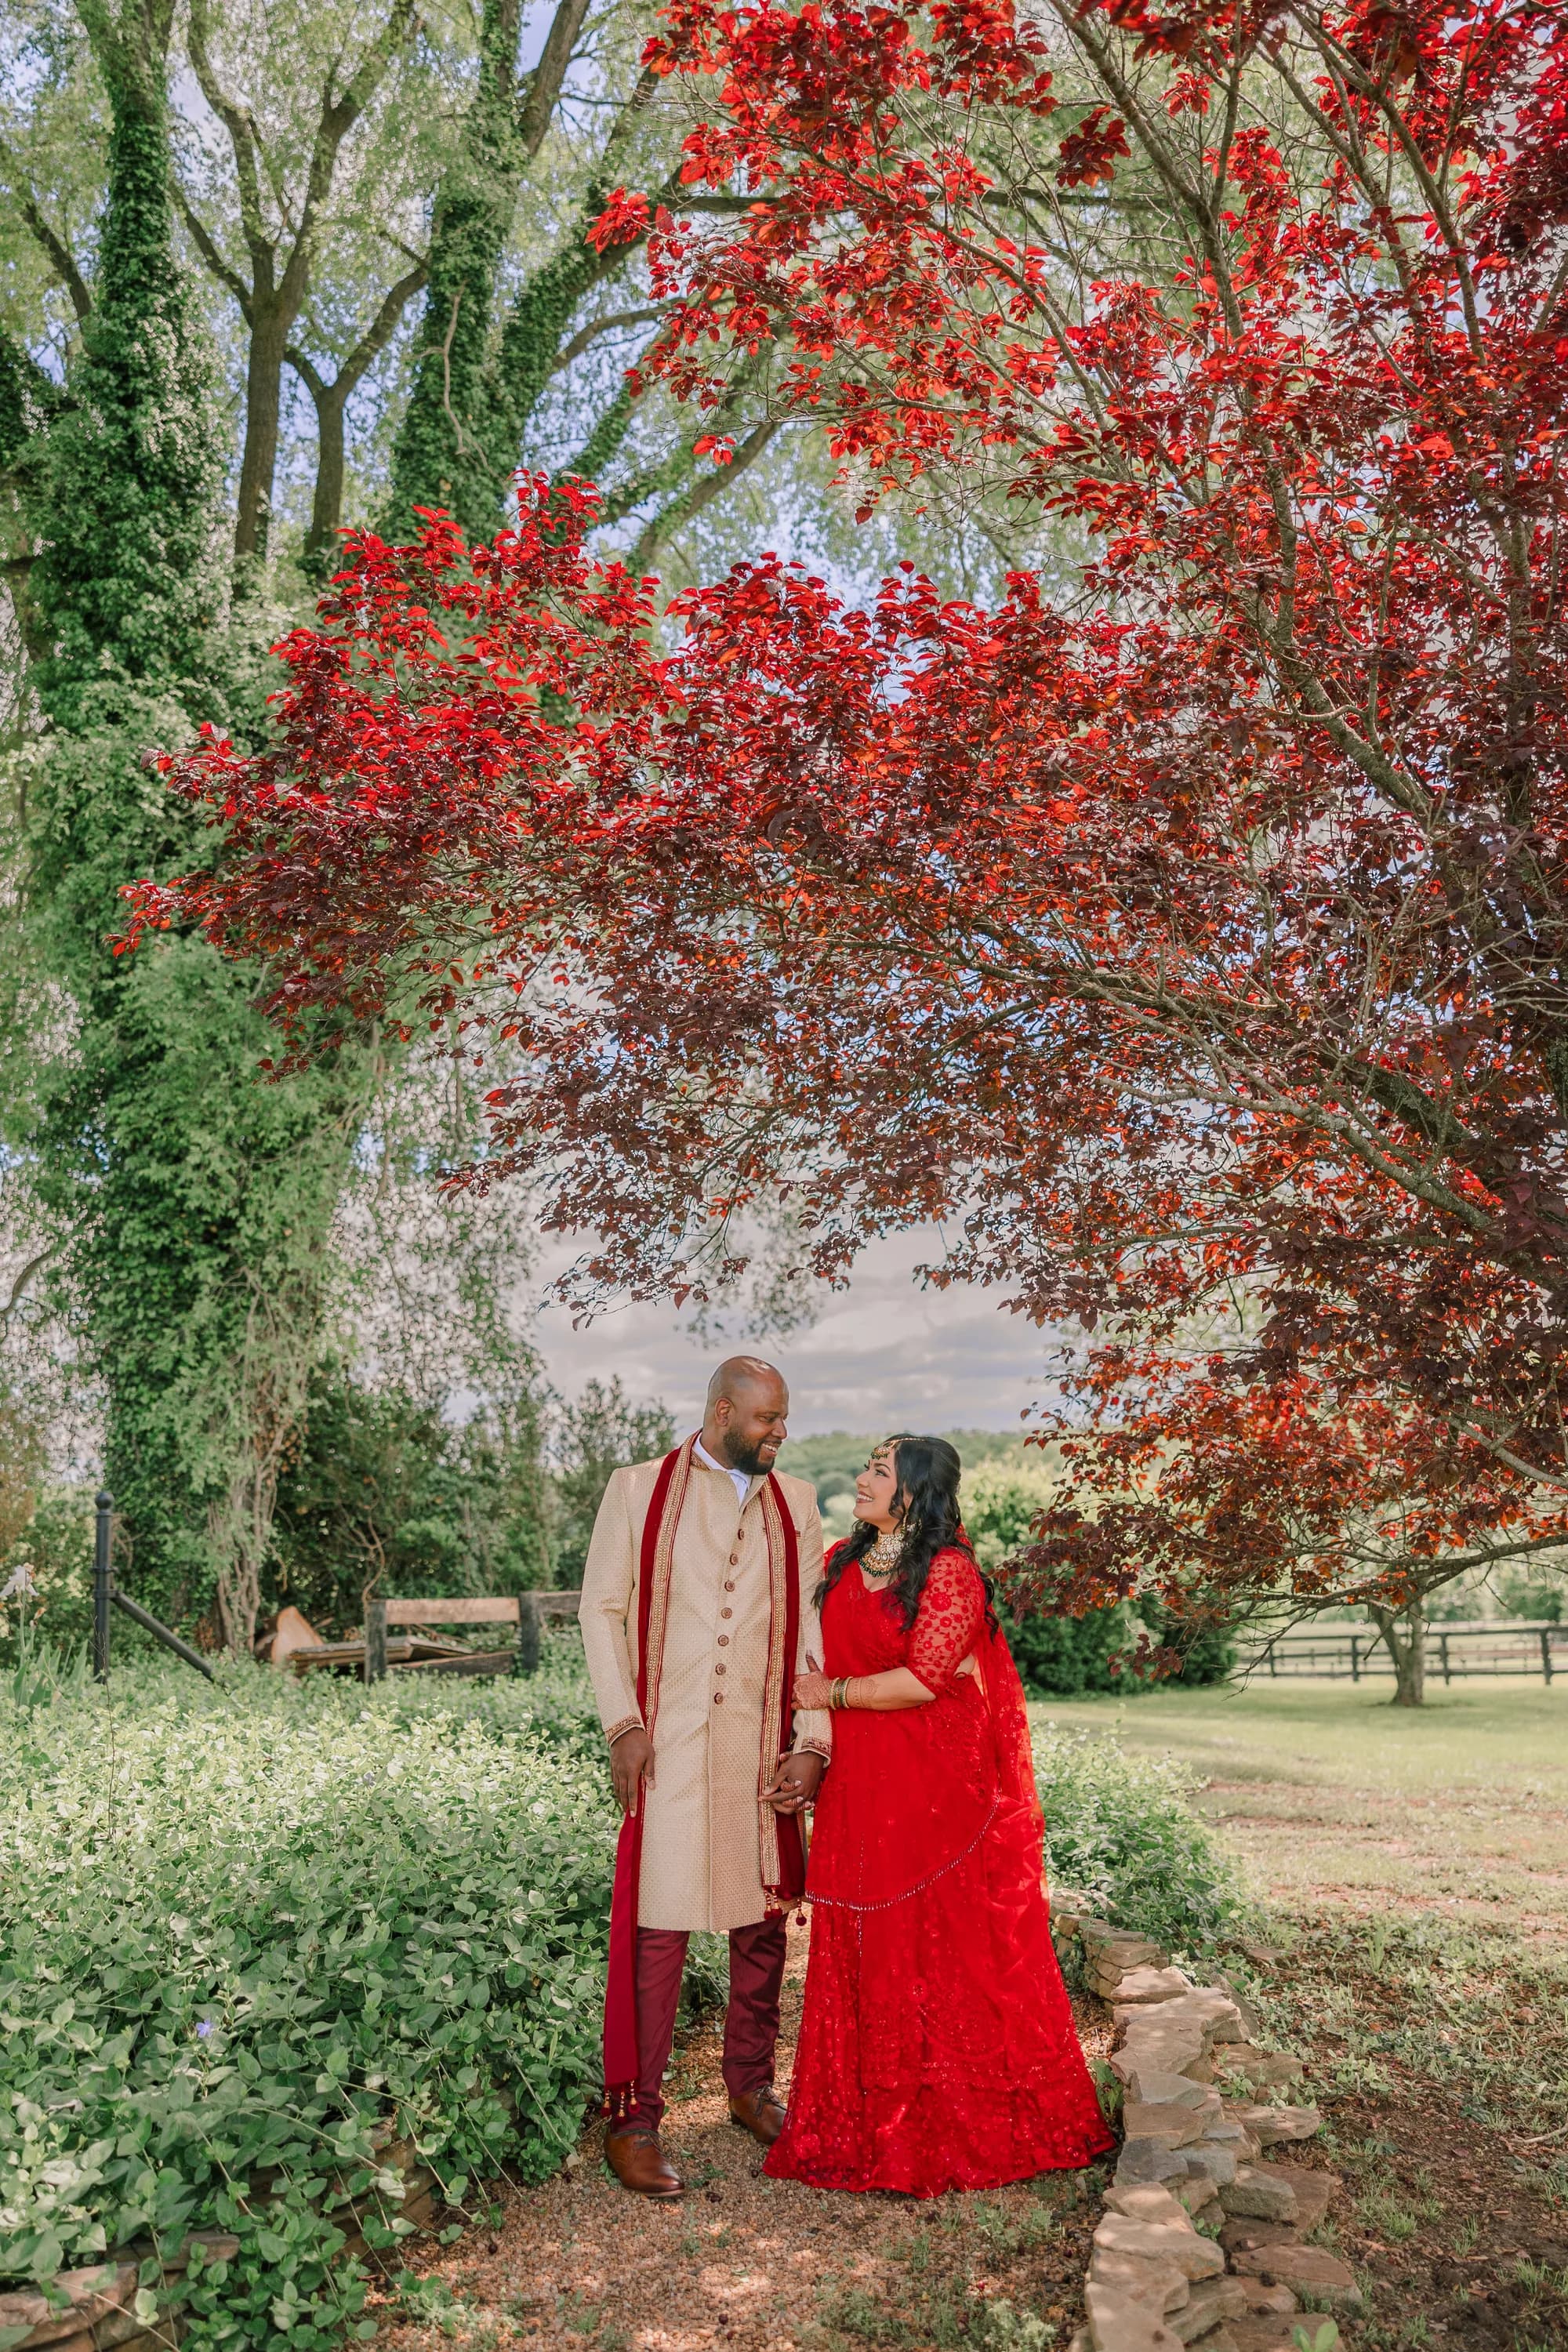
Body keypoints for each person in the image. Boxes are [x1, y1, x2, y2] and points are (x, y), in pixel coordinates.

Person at [768, 1434, 1115, 2197]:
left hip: (935, 1784)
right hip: (860, 1781)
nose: (861, 1478)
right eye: (865, 1465)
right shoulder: (835, 1564)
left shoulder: (951, 1574)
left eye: (878, 1472)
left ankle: (941, 2125)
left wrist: (832, 1694)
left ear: (914, 1495)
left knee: (934, 1945)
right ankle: (858, 2124)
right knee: (863, 1935)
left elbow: (925, 1679)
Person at [579, 1356, 829, 2199]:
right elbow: (599, 1608)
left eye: (782, 1420)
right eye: (766, 1420)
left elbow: (812, 1631)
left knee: (760, 1927)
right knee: (657, 1933)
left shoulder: (796, 1504)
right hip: (671, 1746)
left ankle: (748, 2086)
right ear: (723, 1411)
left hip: (759, 1746)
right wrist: (623, 1724)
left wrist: (812, 1741)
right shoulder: (637, 1488)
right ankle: (635, 2118)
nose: (778, 1433)